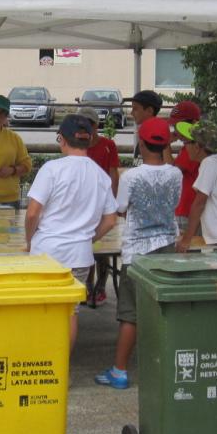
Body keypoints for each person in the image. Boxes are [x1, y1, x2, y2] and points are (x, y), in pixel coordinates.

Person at [95, 117, 181, 389]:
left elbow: (120, 208)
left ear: (141, 144)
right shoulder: (175, 174)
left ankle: (119, 371)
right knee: (162, 310)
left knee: (130, 315)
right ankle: (164, 367)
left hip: (136, 253)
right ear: (166, 144)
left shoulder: (131, 176)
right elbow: (175, 204)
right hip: (167, 247)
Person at [25, 114, 118, 348]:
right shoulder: (100, 175)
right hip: (80, 255)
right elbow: (110, 220)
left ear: (62, 140)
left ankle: (42, 362)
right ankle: (61, 367)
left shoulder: (52, 169)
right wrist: (88, 238)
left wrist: (30, 239)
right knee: (70, 311)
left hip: (47, 251)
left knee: (42, 308)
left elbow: (33, 212)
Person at [77, 106, 120, 305]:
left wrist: (113, 200)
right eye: (82, 123)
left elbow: (113, 173)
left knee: (102, 246)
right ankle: (86, 283)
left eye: (90, 123)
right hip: (81, 204)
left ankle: (101, 285)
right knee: (85, 244)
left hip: (102, 203)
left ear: (96, 125)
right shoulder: (76, 145)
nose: (86, 127)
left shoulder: (108, 144)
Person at [175, 121, 217, 256]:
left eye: (187, 143)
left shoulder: (208, 164)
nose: (185, 147)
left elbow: (199, 204)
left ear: (197, 146)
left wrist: (186, 240)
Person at [167, 101, 202, 232]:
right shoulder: (188, 146)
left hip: (187, 211)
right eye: (174, 126)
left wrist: (165, 144)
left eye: (179, 125)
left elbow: (172, 171)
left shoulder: (193, 147)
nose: (176, 130)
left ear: (193, 123)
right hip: (185, 210)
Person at [129, 90, 163, 166]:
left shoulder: (157, 138)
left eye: (135, 109)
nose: (131, 113)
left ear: (149, 111)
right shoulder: (144, 135)